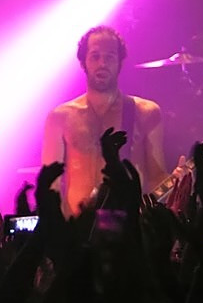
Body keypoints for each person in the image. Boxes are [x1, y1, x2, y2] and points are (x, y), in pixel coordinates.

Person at [41, 25, 165, 216]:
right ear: (83, 62)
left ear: (120, 63)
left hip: (129, 225)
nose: (102, 64)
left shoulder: (146, 112)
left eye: (110, 57)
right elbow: (50, 185)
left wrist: (180, 181)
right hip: (76, 228)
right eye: (95, 56)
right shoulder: (60, 117)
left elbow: (157, 177)